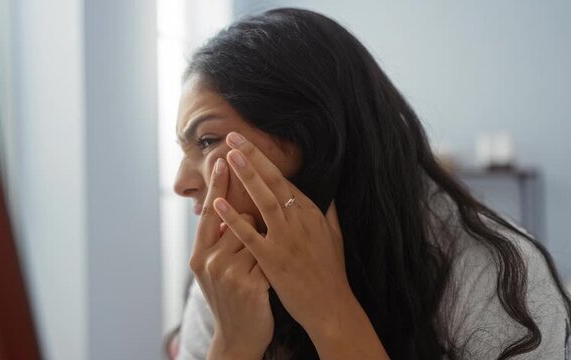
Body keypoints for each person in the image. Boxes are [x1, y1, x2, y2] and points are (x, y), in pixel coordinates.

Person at [169, 8, 570, 360]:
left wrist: (329, 311)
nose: (181, 183)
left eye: (207, 141)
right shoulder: (226, 276)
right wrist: (234, 344)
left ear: (313, 136)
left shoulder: (495, 276)